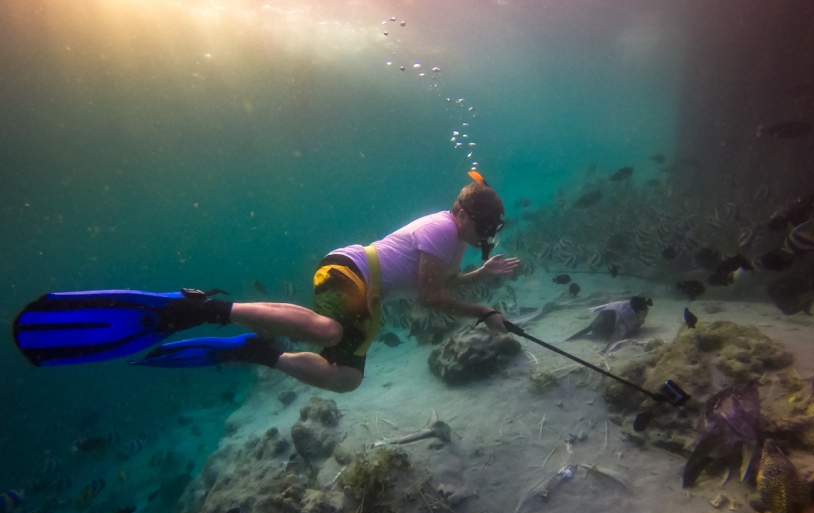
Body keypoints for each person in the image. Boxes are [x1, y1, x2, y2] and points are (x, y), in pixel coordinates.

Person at [13, 172, 519, 393]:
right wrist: (486, 312)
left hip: (371, 293)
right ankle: (202, 310)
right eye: (486, 229)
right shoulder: (440, 229)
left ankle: (258, 352)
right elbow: (432, 295)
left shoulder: (454, 243)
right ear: (467, 215)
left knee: (346, 378)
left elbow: (432, 285)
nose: (487, 238)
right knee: (329, 332)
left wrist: (481, 274)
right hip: (350, 270)